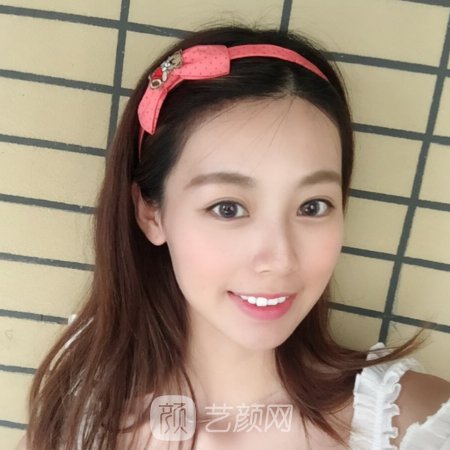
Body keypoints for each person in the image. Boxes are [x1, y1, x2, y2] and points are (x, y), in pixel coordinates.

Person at [16, 24, 450, 450]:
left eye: (312, 206)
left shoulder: (412, 425)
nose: (280, 258)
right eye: (228, 208)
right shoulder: (78, 430)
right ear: (151, 213)